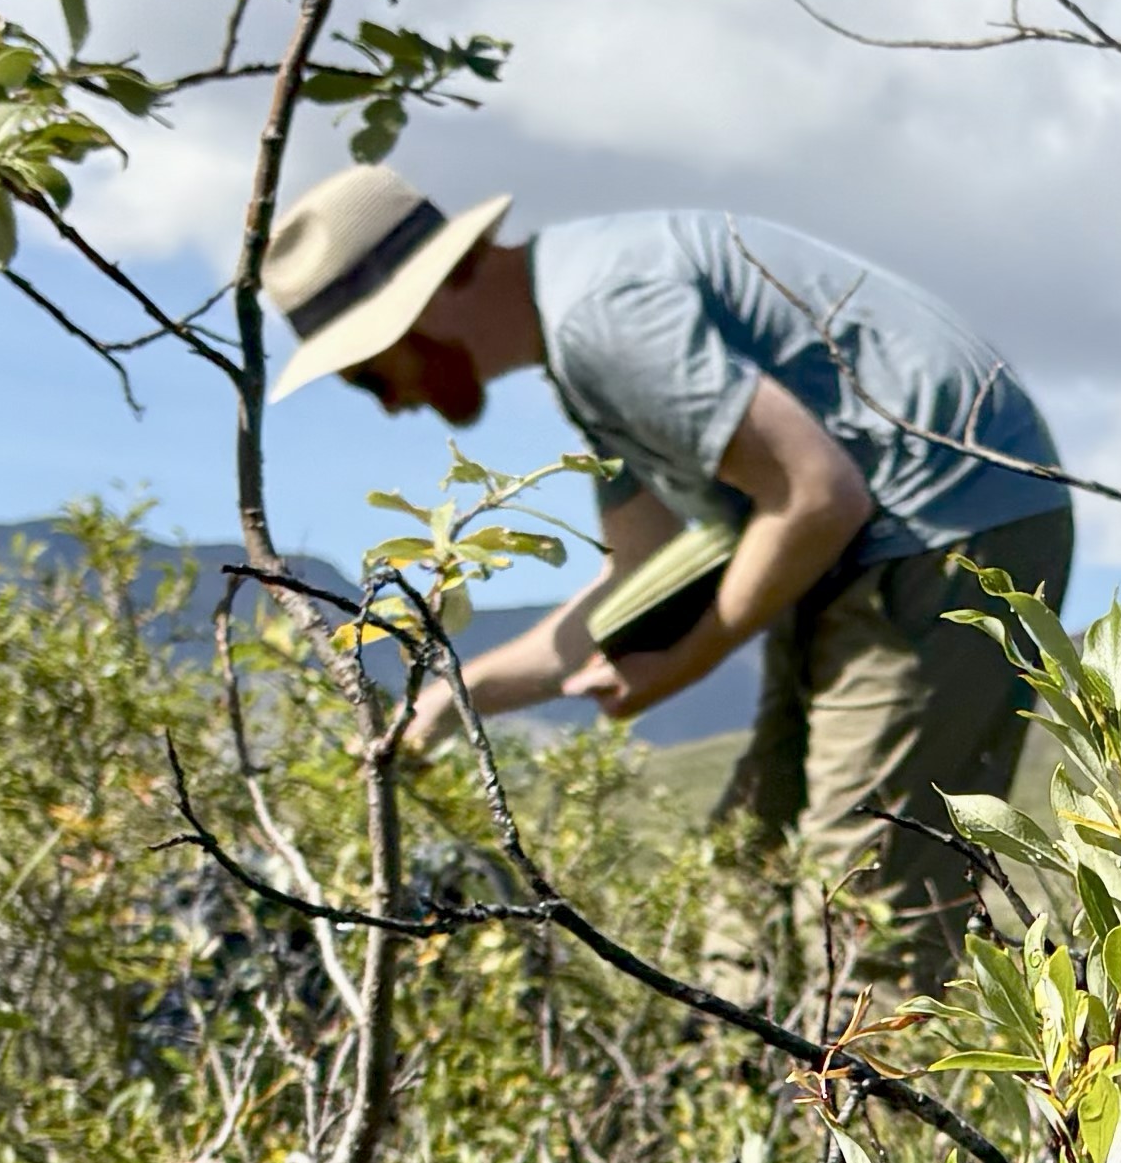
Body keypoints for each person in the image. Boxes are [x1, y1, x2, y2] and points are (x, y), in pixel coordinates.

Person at [260, 161, 1075, 1003]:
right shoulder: (582, 343)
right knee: (745, 863)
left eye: (365, 371)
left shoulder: (603, 321)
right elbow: (637, 577)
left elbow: (815, 496)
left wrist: (687, 659)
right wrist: (450, 702)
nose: (385, 404)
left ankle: (876, 1126)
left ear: (421, 305)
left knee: (863, 892)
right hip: (866, 548)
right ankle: (754, 1103)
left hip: (949, 528)